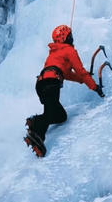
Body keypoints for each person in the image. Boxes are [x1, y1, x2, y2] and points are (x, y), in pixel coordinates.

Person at [25, 25, 103, 157]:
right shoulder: (69, 50)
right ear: (65, 38)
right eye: (70, 36)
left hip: (41, 84)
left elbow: (68, 74)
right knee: (50, 115)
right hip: (51, 83)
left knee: (61, 116)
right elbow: (81, 71)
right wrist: (95, 87)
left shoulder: (54, 53)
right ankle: (37, 137)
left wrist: (84, 79)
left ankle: (34, 121)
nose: (72, 38)